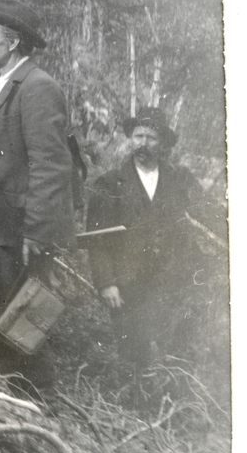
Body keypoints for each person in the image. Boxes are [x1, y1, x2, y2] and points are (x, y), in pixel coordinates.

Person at [0, 0, 75, 389]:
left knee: (21, 324)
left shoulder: (38, 87)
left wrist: (37, 231)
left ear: (11, 44)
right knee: (5, 318)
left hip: (21, 233)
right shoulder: (4, 86)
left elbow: (52, 166)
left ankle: (31, 407)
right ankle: (17, 400)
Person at [86, 106, 204, 367]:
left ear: (161, 143)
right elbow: (97, 239)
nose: (143, 143)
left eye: (151, 138)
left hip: (170, 283)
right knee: (134, 353)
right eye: (138, 136)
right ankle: (134, 403)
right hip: (128, 285)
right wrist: (106, 282)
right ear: (131, 139)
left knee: (173, 353)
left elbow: (206, 211)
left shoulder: (179, 180)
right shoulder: (110, 184)